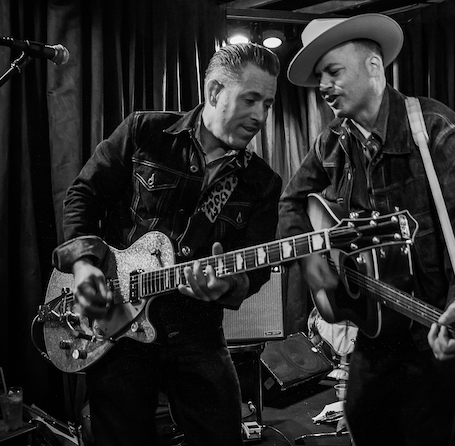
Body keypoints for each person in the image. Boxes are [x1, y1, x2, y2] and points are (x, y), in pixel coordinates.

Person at [278, 14, 455, 445]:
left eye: (333, 71)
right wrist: (309, 258)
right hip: (374, 334)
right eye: (320, 76)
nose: (323, 86)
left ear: (374, 68)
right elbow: (291, 202)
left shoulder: (436, 129)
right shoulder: (332, 142)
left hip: (432, 333)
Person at [52, 42, 283, 446]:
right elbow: (82, 196)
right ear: (214, 92)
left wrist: (227, 286)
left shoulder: (261, 182)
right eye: (251, 100)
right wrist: (85, 265)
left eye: (267, 103)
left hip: (198, 332)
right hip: (119, 325)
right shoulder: (145, 132)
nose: (261, 115)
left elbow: (258, 266)